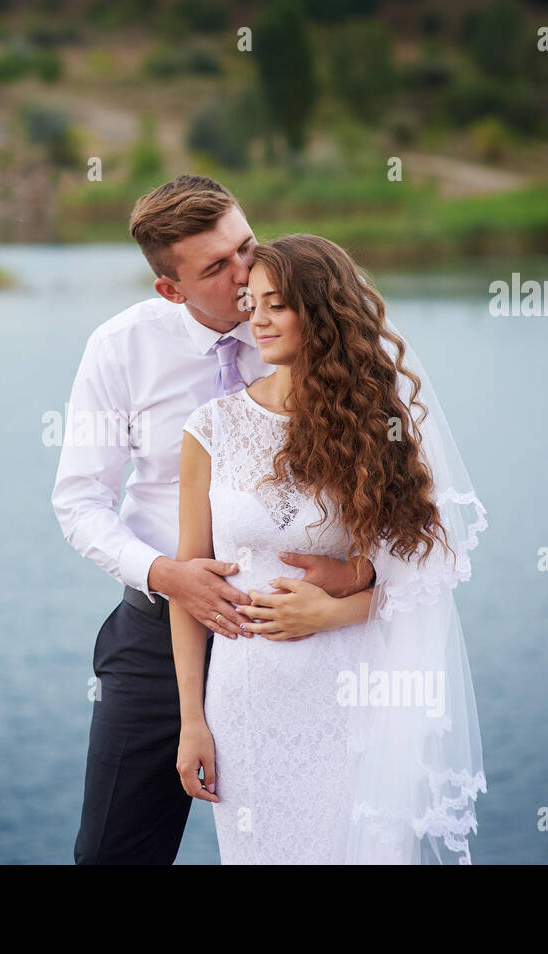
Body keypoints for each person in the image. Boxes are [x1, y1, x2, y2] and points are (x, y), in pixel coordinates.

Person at [52, 177, 377, 865]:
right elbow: (78, 502)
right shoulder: (120, 349)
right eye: (216, 268)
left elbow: (396, 512)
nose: (243, 275)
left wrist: (354, 578)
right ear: (171, 290)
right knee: (113, 853)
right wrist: (167, 573)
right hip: (157, 629)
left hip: (306, 633)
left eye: (245, 248)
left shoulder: (315, 329)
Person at [172, 234, 488, 864]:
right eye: (250, 302)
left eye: (277, 305)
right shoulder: (210, 429)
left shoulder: (381, 427)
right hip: (244, 704)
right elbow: (189, 583)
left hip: (351, 697)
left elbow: (426, 579)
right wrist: (192, 721)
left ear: (321, 312)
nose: (256, 319)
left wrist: (332, 608)